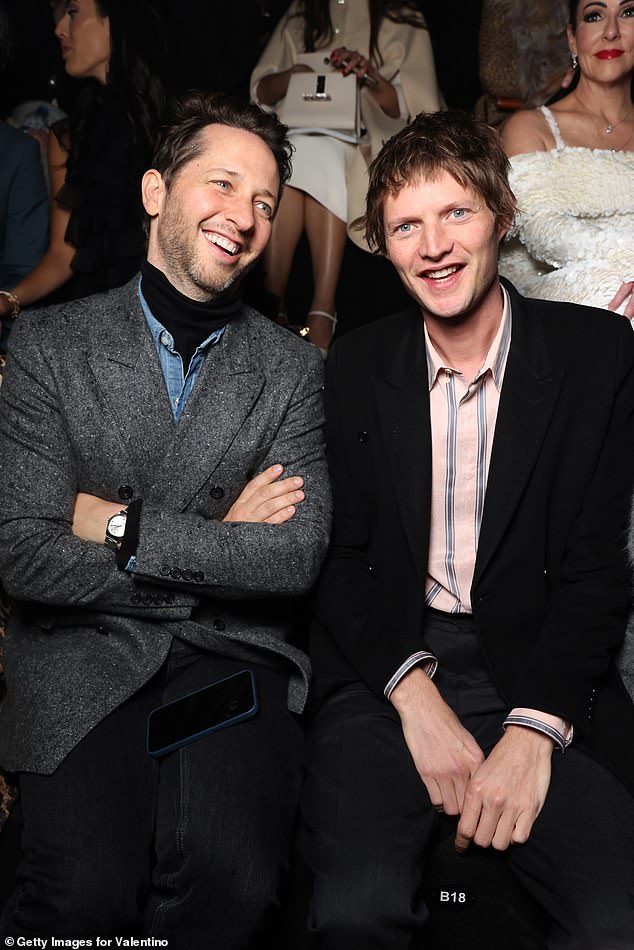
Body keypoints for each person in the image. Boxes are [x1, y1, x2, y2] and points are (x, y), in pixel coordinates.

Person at [0, 91, 331, 943]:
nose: (246, 218)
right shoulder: (49, 344)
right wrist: (221, 551)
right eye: (222, 184)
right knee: (80, 898)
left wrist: (114, 523)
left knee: (231, 883)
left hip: (229, 665)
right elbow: (23, 554)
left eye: (264, 201)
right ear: (156, 193)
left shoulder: (291, 370)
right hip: (81, 657)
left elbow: (292, 560)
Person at [302, 109, 634, 948]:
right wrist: (413, 695)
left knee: (612, 920)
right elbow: (336, 559)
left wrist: (535, 728)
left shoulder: (596, 354)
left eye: (458, 213)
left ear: (503, 217)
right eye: (407, 225)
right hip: (386, 667)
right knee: (355, 908)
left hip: (534, 664)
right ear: (384, 242)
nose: (434, 246)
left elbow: (598, 572)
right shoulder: (356, 365)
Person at [250, 0, 443, 352]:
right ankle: (314, 310)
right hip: (299, 133)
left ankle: (272, 306)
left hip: (367, 141)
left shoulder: (398, 15)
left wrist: (368, 75)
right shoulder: (302, 11)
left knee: (308, 154)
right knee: (297, 153)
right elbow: (260, 92)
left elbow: (414, 108)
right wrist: (299, 73)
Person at [0, 0, 169, 342]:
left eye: (73, 12)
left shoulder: (177, 123)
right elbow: (64, 255)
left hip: (166, 317)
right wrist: (8, 300)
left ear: (115, 20)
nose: (59, 28)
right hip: (94, 318)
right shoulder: (67, 137)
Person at [499, 0, 634, 319]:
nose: (611, 31)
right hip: (554, 298)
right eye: (595, 16)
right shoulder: (530, 127)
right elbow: (542, 229)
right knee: (608, 287)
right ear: (573, 39)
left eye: (628, 13)